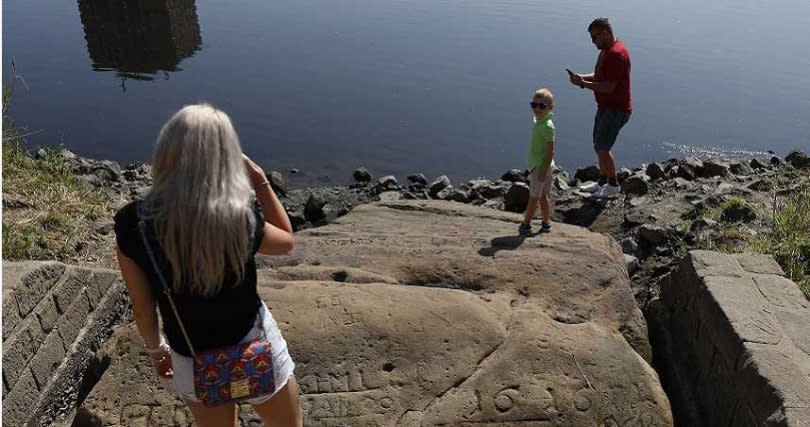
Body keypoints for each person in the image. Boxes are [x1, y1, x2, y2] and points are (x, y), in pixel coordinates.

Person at [113, 104, 303, 427]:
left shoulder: (134, 225)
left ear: (166, 154)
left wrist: (157, 351)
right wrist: (259, 180)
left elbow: (143, 309)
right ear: (226, 158)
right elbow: (286, 240)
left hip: (192, 357)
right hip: (254, 346)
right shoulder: (238, 218)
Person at [568, 17, 632, 198]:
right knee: (598, 146)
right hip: (605, 107)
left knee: (603, 147)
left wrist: (582, 84)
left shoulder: (617, 54)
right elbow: (599, 76)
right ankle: (602, 182)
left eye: (595, 37)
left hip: (617, 110)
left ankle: (613, 186)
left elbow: (609, 86)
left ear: (605, 33)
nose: (592, 41)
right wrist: (582, 77)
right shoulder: (606, 51)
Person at [519, 88, 556, 235]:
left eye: (542, 106)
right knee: (543, 196)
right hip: (542, 166)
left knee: (534, 197)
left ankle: (526, 224)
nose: (537, 109)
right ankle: (546, 223)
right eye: (534, 105)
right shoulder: (541, 120)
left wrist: (543, 170)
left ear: (550, 108)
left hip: (541, 167)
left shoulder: (547, 126)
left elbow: (551, 151)